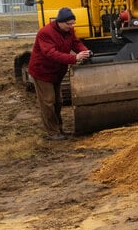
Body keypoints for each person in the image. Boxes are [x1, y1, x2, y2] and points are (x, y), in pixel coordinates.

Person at [27, 7, 91, 140]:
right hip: (42, 71)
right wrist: (74, 58)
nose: (72, 26)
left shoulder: (68, 31)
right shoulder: (45, 33)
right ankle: (52, 132)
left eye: (73, 23)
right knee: (48, 101)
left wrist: (85, 52)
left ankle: (59, 128)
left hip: (57, 72)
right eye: (69, 24)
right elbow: (50, 53)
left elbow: (75, 43)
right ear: (60, 22)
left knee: (59, 101)